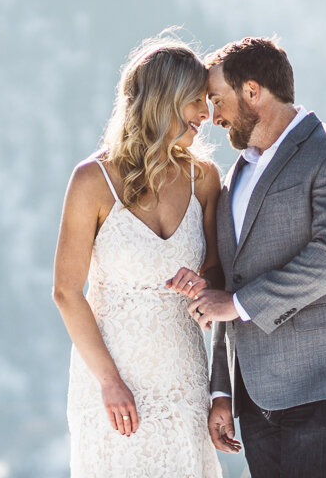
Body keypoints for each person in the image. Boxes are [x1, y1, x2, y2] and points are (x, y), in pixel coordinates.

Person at [167, 36, 326, 478]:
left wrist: (237, 304)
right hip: (256, 393)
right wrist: (222, 391)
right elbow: (229, 287)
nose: (213, 116)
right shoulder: (234, 177)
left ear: (253, 92)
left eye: (218, 101)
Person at [53, 35, 226, 478]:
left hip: (183, 376)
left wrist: (204, 281)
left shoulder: (203, 178)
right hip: (113, 383)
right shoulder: (92, 180)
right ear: (163, 101)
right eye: (195, 102)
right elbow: (67, 292)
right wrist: (109, 382)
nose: (205, 115)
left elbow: (219, 267)